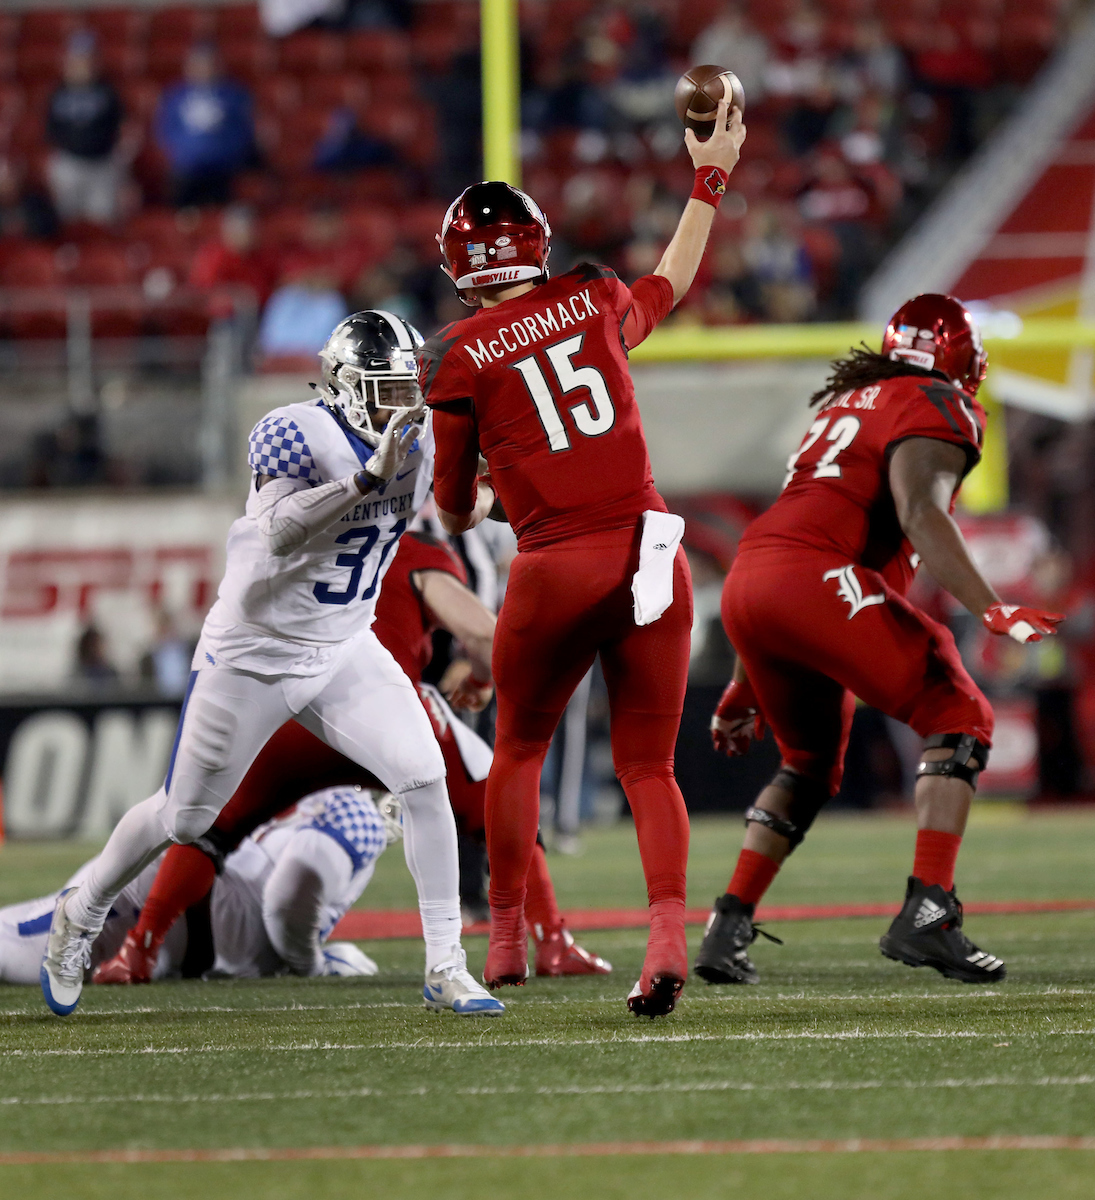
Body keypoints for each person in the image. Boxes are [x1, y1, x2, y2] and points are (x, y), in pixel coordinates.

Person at [40, 310, 502, 1019]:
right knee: (185, 815)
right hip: (254, 653)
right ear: (347, 386)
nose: (400, 406)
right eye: (385, 389)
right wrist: (364, 480)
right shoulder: (295, 430)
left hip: (344, 643)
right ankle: (83, 909)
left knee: (422, 775)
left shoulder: (423, 435)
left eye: (408, 389)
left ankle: (445, 964)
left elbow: (474, 496)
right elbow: (281, 532)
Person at [420, 99, 746, 1017]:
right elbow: (671, 281)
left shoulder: (456, 353)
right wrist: (708, 179)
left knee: (519, 748)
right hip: (648, 550)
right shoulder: (594, 296)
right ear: (535, 243)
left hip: (554, 565)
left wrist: (488, 493)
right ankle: (668, 936)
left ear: (458, 266)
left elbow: (449, 506)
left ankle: (509, 939)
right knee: (650, 768)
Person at [696, 295, 1064, 987]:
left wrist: (743, 686)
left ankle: (726, 925)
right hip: (816, 578)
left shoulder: (847, 402)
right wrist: (989, 608)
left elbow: (788, 555)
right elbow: (918, 511)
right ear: (956, 355)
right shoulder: (935, 401)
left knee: (807, 765)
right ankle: (929, 912)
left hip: (753, 579)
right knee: (960, 715)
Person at [93, 529, 610, 985]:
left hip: (290, 714)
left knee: (209, 829)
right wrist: (478, 677)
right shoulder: (410, 549)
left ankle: (140, 948)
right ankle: (549, 943)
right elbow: (481, 634)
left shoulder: (288, 539)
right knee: (496, 791)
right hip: (379, 712)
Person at [2, 785, 393, 985]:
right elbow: (286, 902)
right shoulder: (355, 811)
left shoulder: (318, 787)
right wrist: (312, 965)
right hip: (174, 906)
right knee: (15, 948)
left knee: (15, 932)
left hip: (182, 910)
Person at [45, 31, 133, 225]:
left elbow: (121, 126)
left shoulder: (108, 91)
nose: (83, 64)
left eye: (88, 59)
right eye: (78, 59)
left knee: (101, 221)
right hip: (70, 164)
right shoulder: (58, 92)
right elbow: (50, 130)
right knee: (66, 221)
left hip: (102, 164)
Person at [155, 43, 255, 208]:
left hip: (223, 170)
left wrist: (228, 155)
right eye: (198, 64)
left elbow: (243, 130)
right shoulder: (175, 96)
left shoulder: (233, 95)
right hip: (186, 169)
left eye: (208, 64)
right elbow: (165, 129)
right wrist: (180, 154)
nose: (203, 69)